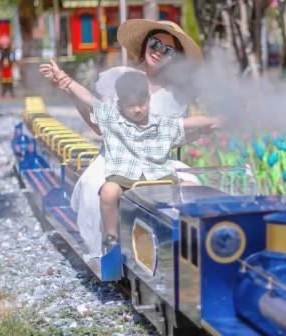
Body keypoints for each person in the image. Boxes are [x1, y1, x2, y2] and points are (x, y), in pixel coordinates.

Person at [54, 19, 203, 258]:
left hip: (155, 159)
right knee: (99, 188)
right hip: (117, 156)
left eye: (168, 49)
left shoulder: (176, 95)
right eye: (155, 43)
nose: (159, 52)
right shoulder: (118, 77)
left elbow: (177, 138)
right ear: (145, 44)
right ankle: (110, 247)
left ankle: (181, 245)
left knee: (192, 186)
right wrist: (73, 94)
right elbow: (99, 126)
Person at [39, 61, 222, 242]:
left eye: (142, 104)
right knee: (109, 192)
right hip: (125, 175)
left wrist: (213, 122)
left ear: (149, 100)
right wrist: (64, 78)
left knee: (191, 189)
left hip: (159, 174)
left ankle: (193, 234)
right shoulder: (113, 118)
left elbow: (187, 123)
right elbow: (87, 98)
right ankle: (111, 236)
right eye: (131, 105)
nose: (137, 109)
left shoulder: (160, 123)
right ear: (120, 104)